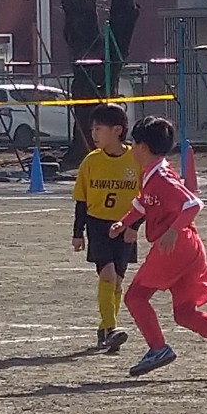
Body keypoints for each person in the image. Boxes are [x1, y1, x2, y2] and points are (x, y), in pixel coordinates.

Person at [108, 116, 207, 379]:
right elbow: (143, 204)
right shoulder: (154, 172)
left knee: (135, 297)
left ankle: (158, 349)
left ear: (141, 147)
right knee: (185, 313)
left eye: (132, 143)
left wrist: (173, 231)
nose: (130, 149)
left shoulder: (161, 176)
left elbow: (193, 204)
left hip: (174, 247)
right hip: (186, 248)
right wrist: (124, 223)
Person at [72, 103, 141, 353]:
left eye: (98, 129)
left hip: (125, 226)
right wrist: (78, 233)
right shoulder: (91, 162)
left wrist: (135, 225)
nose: (94, 134)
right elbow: (81, 200)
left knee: (118, 280)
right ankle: (110, 328)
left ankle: (105, 329)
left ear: (117, 130)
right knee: (108, 275)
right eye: (93, 129)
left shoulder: (135, 160)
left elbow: (146, 199)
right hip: (98, 226)